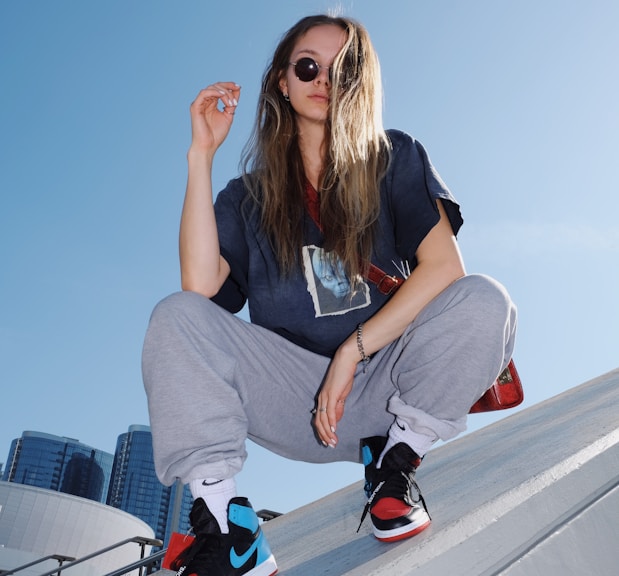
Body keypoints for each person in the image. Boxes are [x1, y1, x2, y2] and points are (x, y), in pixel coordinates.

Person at [142, 13, 517, 576]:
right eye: (309, 67)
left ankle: (393, 464)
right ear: (281, 81)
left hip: (389, 386)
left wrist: (352, 352)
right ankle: (227, 526)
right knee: (174, 317)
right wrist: (201, 156)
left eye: (344, 71)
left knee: (487, 299)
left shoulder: (394, 157)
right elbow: (198, 290)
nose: (325, 81)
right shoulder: (246, 199)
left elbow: (443, 269)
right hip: (295, 400)